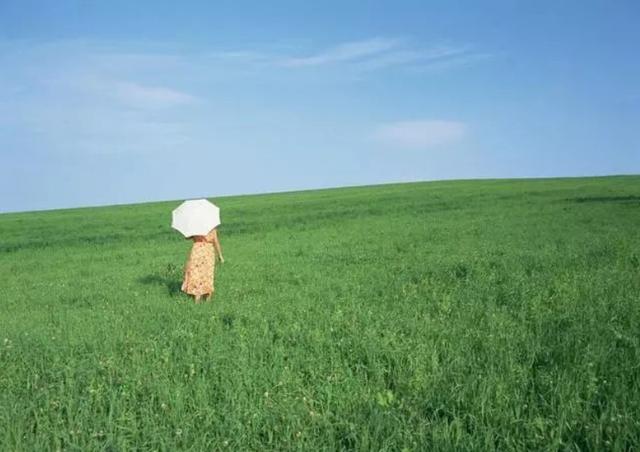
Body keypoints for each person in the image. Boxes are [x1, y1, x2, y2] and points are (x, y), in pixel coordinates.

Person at [181, 227, 224, 303]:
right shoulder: (212, 228)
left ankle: (197, 297)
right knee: (208, 274)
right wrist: (220, 255)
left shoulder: (196, 227)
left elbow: (187, 237)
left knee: (196, 273)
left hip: (197, 250)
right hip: (208, 251)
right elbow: (216, 242)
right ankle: (208, 298)